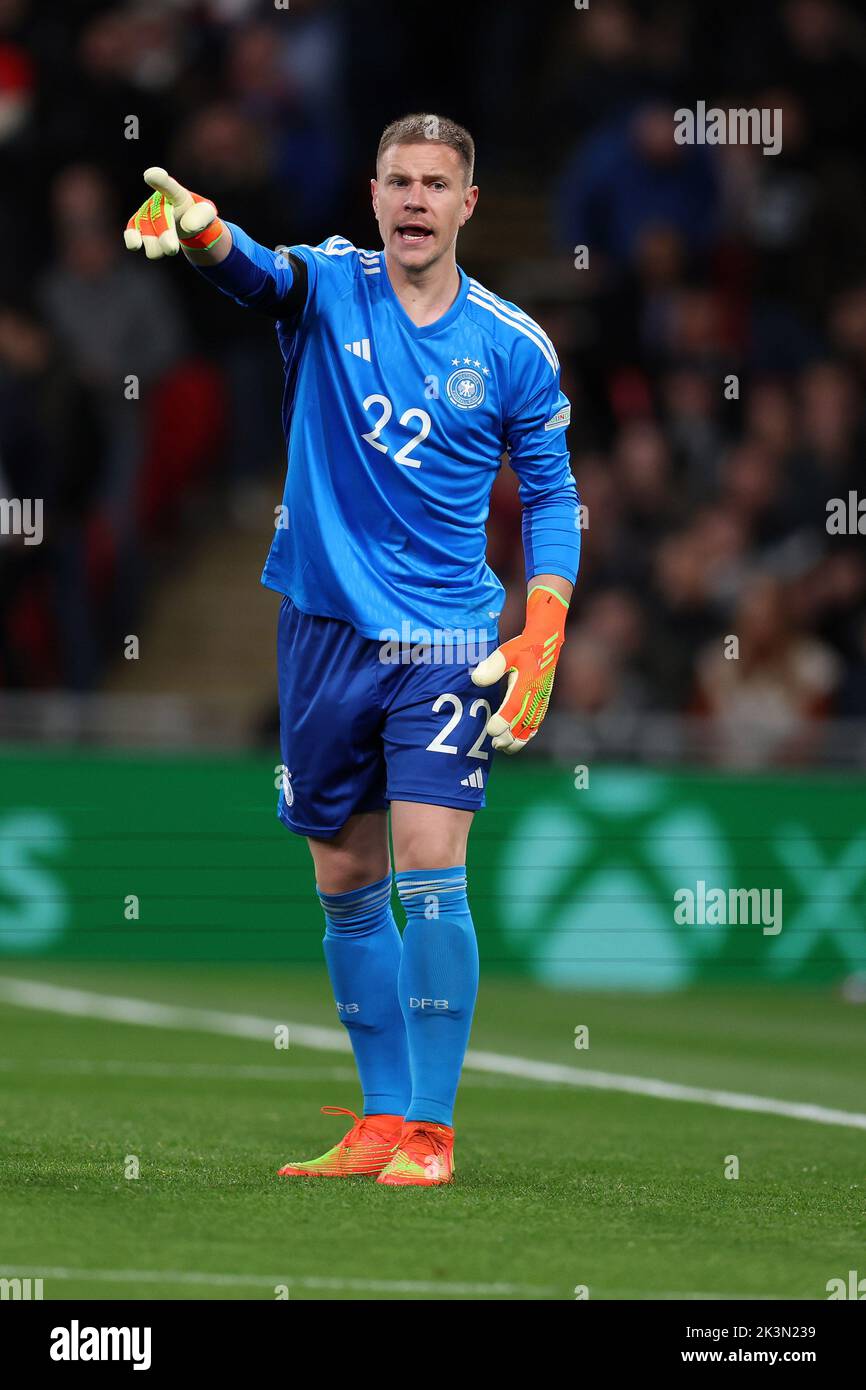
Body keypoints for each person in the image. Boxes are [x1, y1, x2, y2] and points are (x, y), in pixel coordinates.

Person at [124, 112, 580, 1186]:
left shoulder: (511, 344)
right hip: (322, 630)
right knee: (344, 875)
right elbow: (254, 278)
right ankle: (377, 1117)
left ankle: (430, 1129)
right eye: (397, 181)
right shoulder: (330, 285)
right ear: (372, 197)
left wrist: (543, 619)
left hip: (444, 641)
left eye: (435, 183)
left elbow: (555, 494)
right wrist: (200, 230)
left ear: (467, 205)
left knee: (430, 862)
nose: (414, 199)